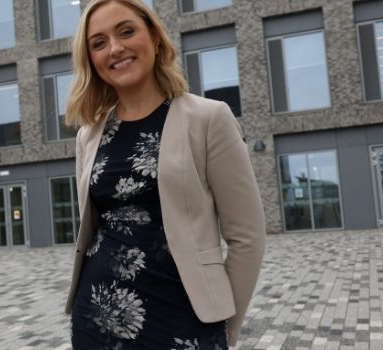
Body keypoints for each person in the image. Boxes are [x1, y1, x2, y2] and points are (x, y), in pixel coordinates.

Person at [63, 0, 266, 348]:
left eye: (126, 31)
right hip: (96, 317)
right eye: (98, 43)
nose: (115, 48)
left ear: (155, 38)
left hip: (184, 319)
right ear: (91, 60)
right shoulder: (89, 134)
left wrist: (225, 328)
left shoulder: (209, 118)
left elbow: (247, 236)